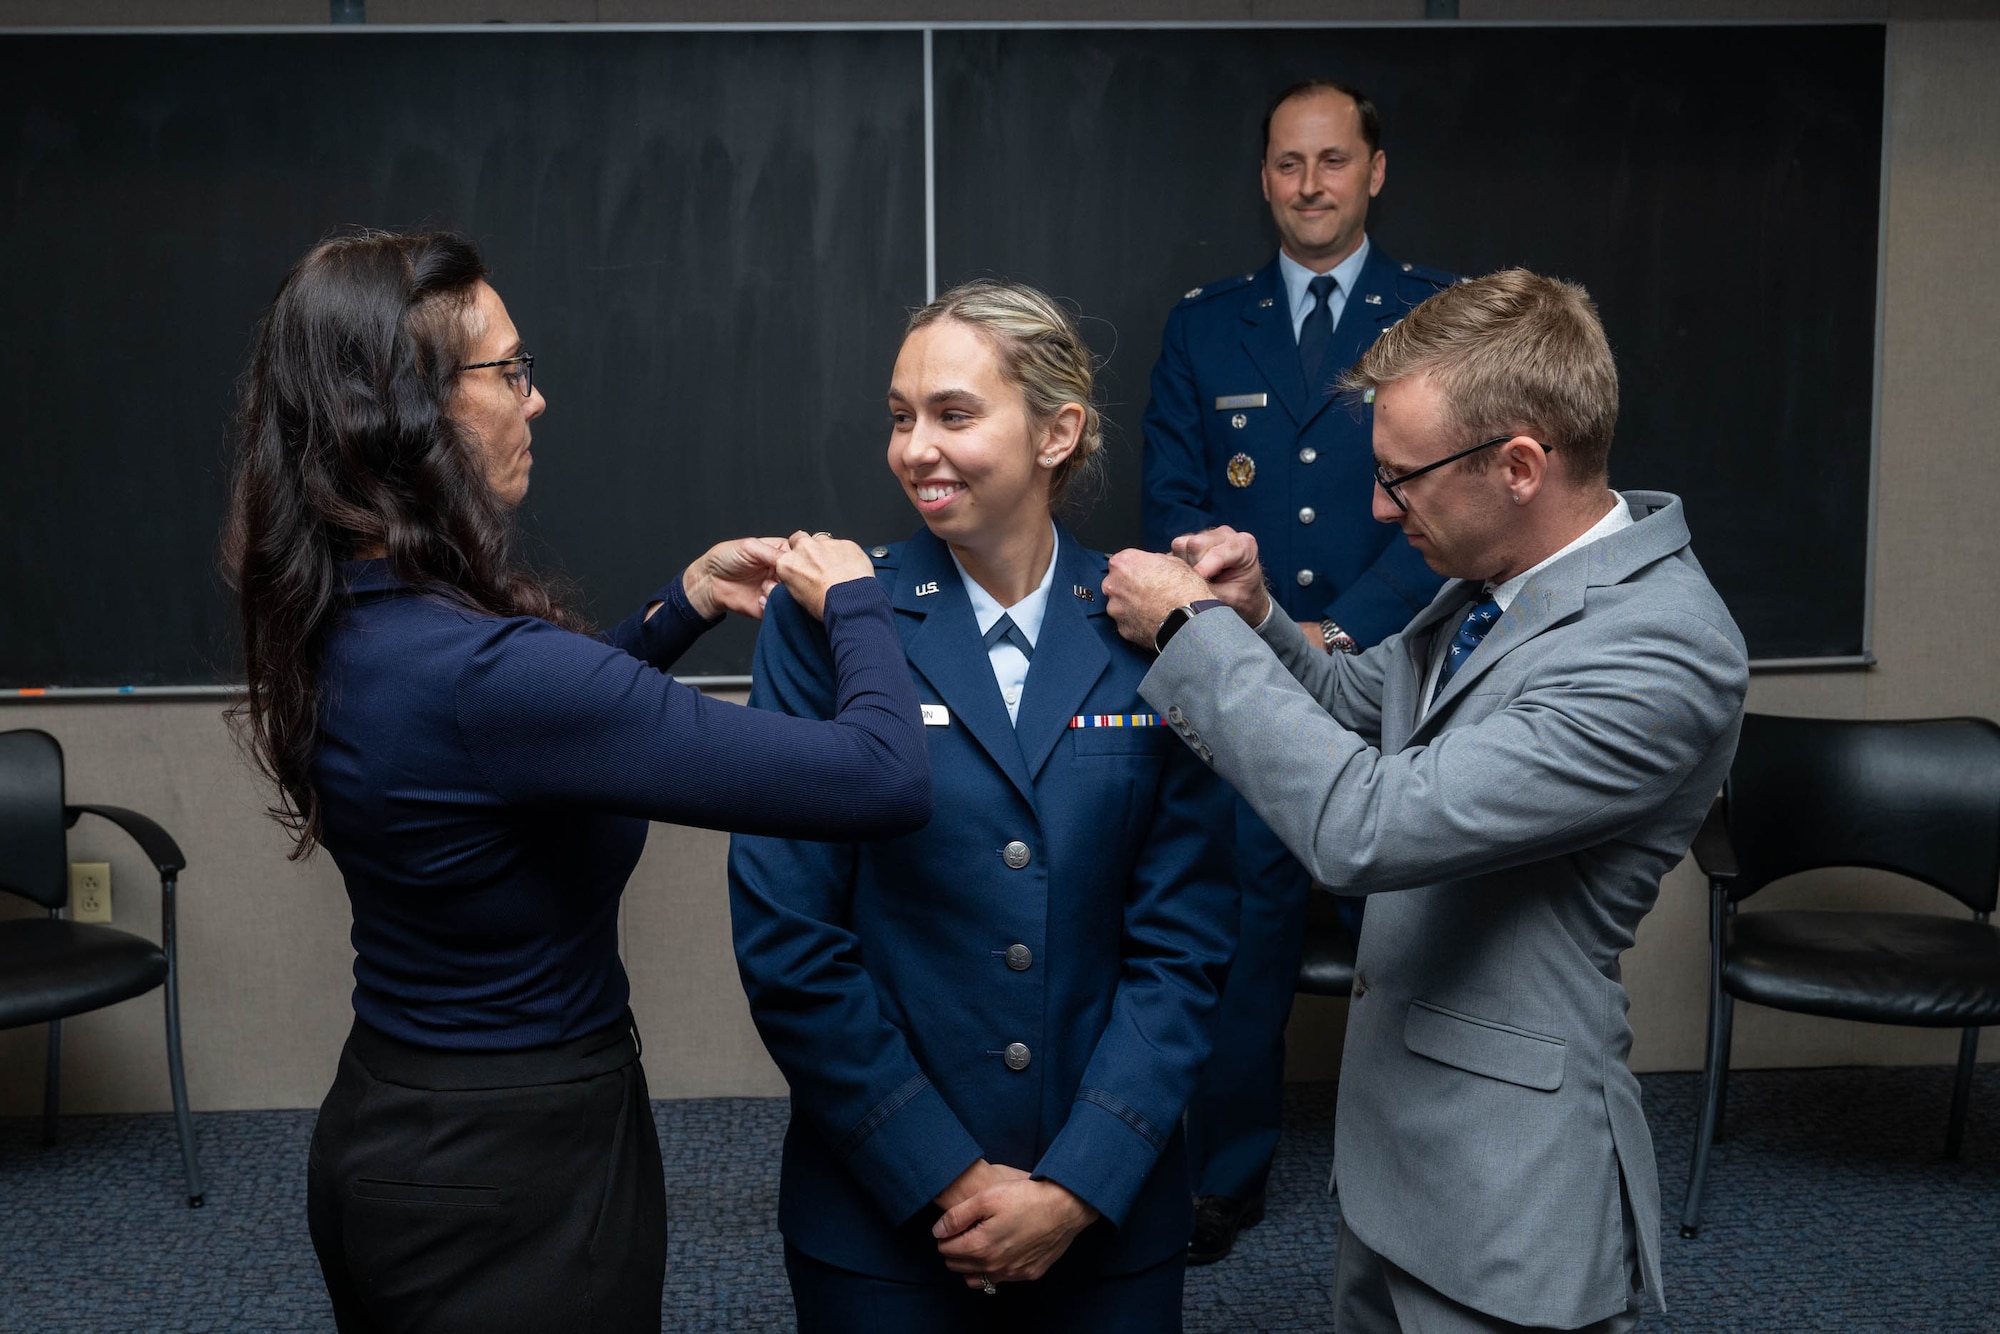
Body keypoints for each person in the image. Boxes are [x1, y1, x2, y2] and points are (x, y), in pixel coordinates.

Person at [221, 229, 932, 1333]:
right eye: (510, 371)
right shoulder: (493, 678)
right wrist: (859, 600)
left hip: (398, 1130)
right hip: (516, 1180)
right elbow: (879, 775)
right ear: (412, 407)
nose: (534, 400)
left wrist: (677, 604)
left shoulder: (349, 612)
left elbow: (516, 736)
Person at [1104, 269, 1748, 1331]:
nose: (1374, 504)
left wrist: (1188, 635)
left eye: (1399, 478)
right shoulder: (1502, 576)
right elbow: (1366, 702)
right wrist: (1257, 616)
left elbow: (1367, 822)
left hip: (1509, 1186)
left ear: (1519, 465)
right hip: (1395, 1155)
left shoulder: (1660, 648)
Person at [729, 279, 1237, 1332]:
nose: (914, 447)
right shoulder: (824, 623)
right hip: (883, 1211)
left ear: (1057, 432)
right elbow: (788, 938)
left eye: (953, 415)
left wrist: (1074, 1185)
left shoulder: (1145, 623)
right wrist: (947, 1176)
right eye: (900, 416)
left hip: (1106, 1205)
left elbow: (1182, 944)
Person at [1140, 76, 1456, 1266]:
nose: (1309, 184)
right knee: (1239, 938)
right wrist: (1262, 636)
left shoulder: (1436, 317)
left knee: (1422, 935)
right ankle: (1222, 1178)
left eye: (1331, 161)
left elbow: (1456, 501)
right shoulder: (1202, 323)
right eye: (1287, 163)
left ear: (1373, 172)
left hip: (1403, 675)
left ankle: (1436, 1171)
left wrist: (1340, 633)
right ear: (1264, 177)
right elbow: (1170, 498)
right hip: (1251, 688)